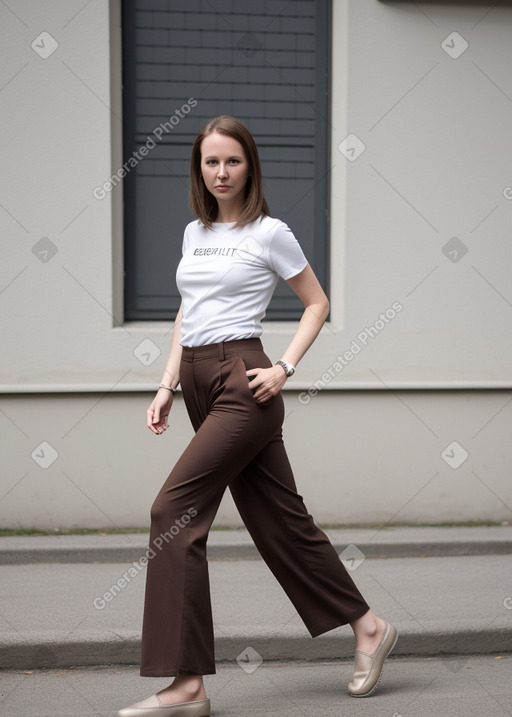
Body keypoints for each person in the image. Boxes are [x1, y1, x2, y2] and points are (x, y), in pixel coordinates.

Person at [118, 116, 397, 717]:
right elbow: (185, 313)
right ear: (200, 168)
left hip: (245, 383)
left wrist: (285, 368)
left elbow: (317, 303)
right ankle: (369, 626)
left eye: (232, 161)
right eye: (211, 162)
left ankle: (186, 685)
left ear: (251, 166)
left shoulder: (271, 232)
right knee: (280, 523)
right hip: (194, 376)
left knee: (172, 511)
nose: (221, 172)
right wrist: (166, 383)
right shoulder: (195, 233)